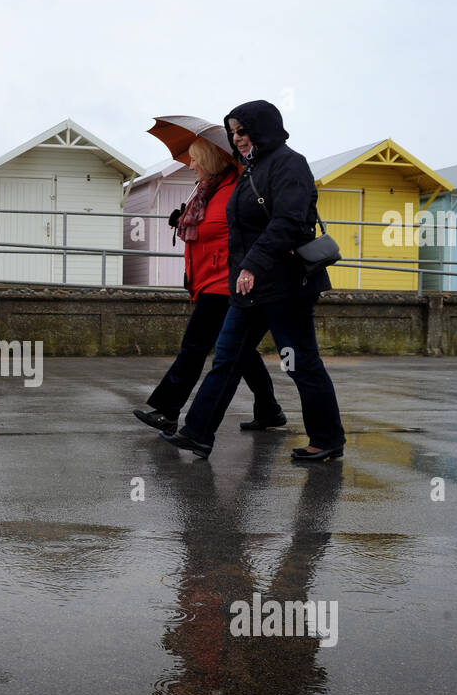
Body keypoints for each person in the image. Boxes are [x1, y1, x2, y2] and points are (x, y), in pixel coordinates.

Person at [162, 100, 346, 462]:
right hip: (248, 289)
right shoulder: (250, 170)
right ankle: (197, 432)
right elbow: (240, 233)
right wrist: (238, 274)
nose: (237, 138)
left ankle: (327, 439)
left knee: (299, 363)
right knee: (227, 358)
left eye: (242, 131)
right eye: (232, 132)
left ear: (263, 129)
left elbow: (289, 222)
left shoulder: (290, 164)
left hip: (286, 286)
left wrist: (252, 267)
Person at [133, 137, 285, 436]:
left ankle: (167, 410)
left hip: (224, 283)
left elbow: (243, 234)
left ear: (212, 160)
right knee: (239, 351)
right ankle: (269, 409)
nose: (191, 165)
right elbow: (209, 229)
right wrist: (182, 222)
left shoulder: (235, 191)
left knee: (194, 346)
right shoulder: (207, 191)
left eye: (195, 159)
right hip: (206, 280)